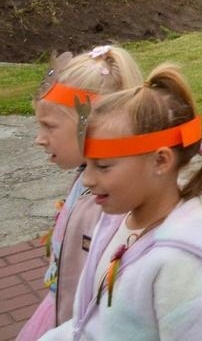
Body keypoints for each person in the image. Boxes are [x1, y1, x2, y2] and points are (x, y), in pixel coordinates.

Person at [47, 66, 202, 340]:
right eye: (87, 165)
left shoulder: (183, 266)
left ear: (161, 161)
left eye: (103, 167)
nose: (88, 179)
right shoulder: (115, 220)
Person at [19, 46, 144, 341]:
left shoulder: (115, 201)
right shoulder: (84, 181)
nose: (40, 139)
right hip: (64, 316)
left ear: (91, 126)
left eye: (48, 126)